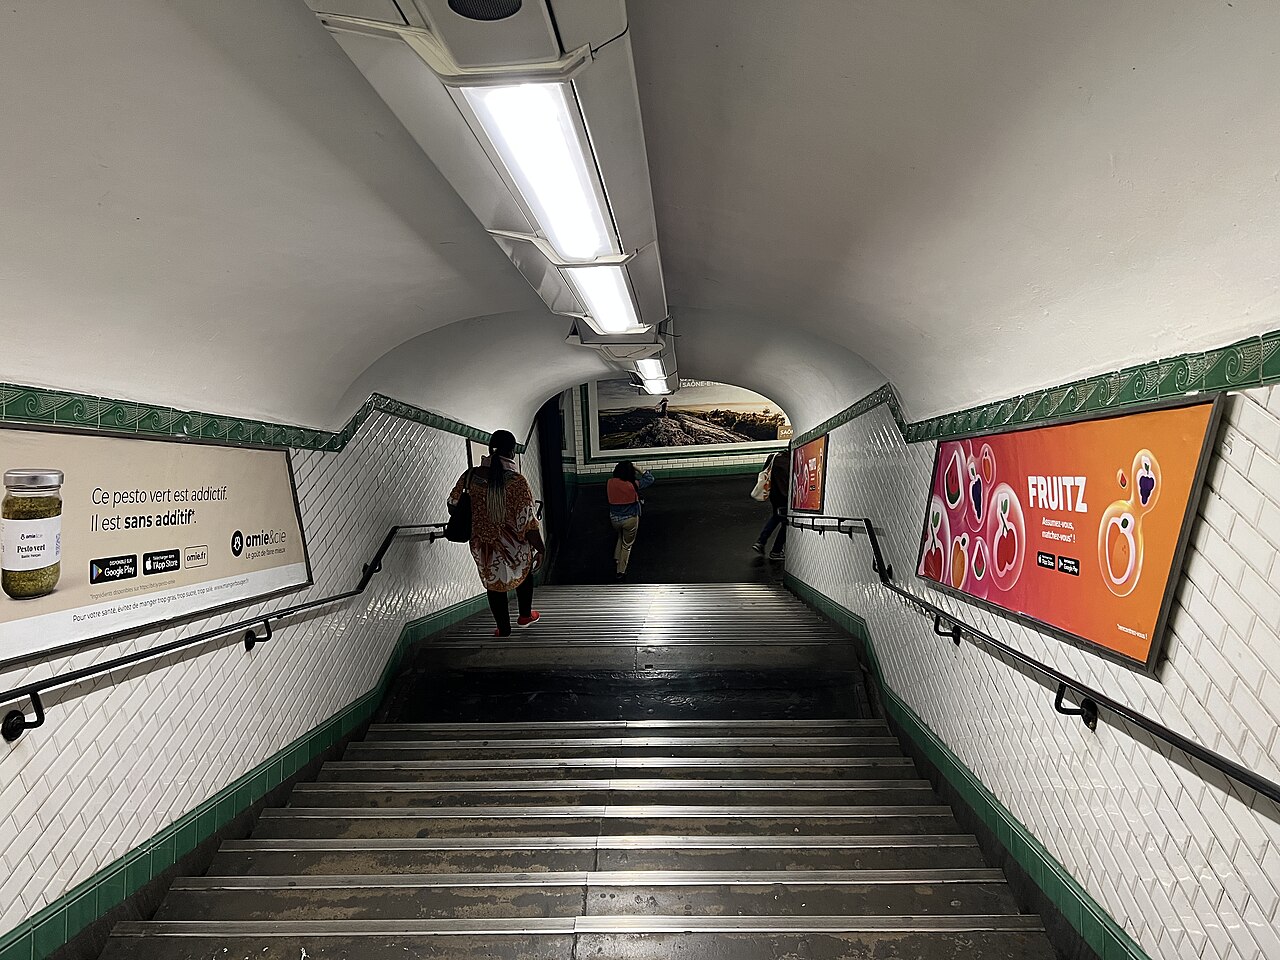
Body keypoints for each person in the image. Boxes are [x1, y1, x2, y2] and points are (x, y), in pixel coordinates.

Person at [449, 430, 546, 637]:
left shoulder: (469, 476)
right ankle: (525, 616)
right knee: (524, 572)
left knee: (494, 584)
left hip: (483, 545)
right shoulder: (517, 481)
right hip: (515, 545)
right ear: (511, 452)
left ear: (490, 449)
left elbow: (453, 505)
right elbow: (528, 521)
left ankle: (503, 629)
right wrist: (540, 548)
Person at [607, 460, 655, 580]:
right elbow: (650, 479)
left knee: (620, 535)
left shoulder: (610, 483)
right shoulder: (633, 485)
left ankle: (616, 557)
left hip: (614, 518)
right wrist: (638, 468)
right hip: (630, 519)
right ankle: (621, 571)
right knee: (627, 545)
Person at [752, 451, 789, 560]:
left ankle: (761, 541)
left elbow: (765, 471)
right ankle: (776, 551)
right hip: (786, 496)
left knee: (776, 516)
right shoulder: (792, 460)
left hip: (774, 494)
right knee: (787, 524)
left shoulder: (774, 457)